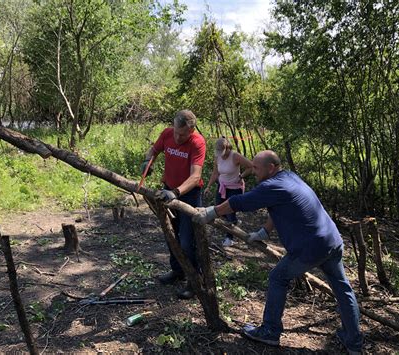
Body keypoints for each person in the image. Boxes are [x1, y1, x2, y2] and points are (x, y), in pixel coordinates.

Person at [192, 150, 363, 354]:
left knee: (278, 278)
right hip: (331, 240)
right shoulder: (289, 177)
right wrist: (265, 230)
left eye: (256, 167)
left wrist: (212, 212)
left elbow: (241, 202)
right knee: (342, 289)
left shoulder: (273, 185)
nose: (252, 171)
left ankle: (270, 331)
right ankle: (353, 342)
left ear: (271, 167)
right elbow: (279, 206)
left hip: (311, 246)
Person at [141, 109, 206, 299]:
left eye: (183, 134)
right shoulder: (167, 133)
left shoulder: (198, 142)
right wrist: (147, 161)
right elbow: (153, 150)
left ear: (192, 130)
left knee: (187, 240)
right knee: (171, 234)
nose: (178, 137)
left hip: (188, 195)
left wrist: (176, 193)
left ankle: (195, 281)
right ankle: (177, 271)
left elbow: (195, 177)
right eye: (177, 132)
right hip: (167, 190)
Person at [204, 137, 252, 247]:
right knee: (219, 209)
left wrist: (242, 176)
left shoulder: (235, 156)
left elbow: (250, 166)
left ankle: (229, 237)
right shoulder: (218, 157)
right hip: (222, 186)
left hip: (235, 187)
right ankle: (233, 221)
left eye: (222, 151)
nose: (220, 154)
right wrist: (208, 186)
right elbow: (215, 173)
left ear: (227, 148)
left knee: (229, 210)